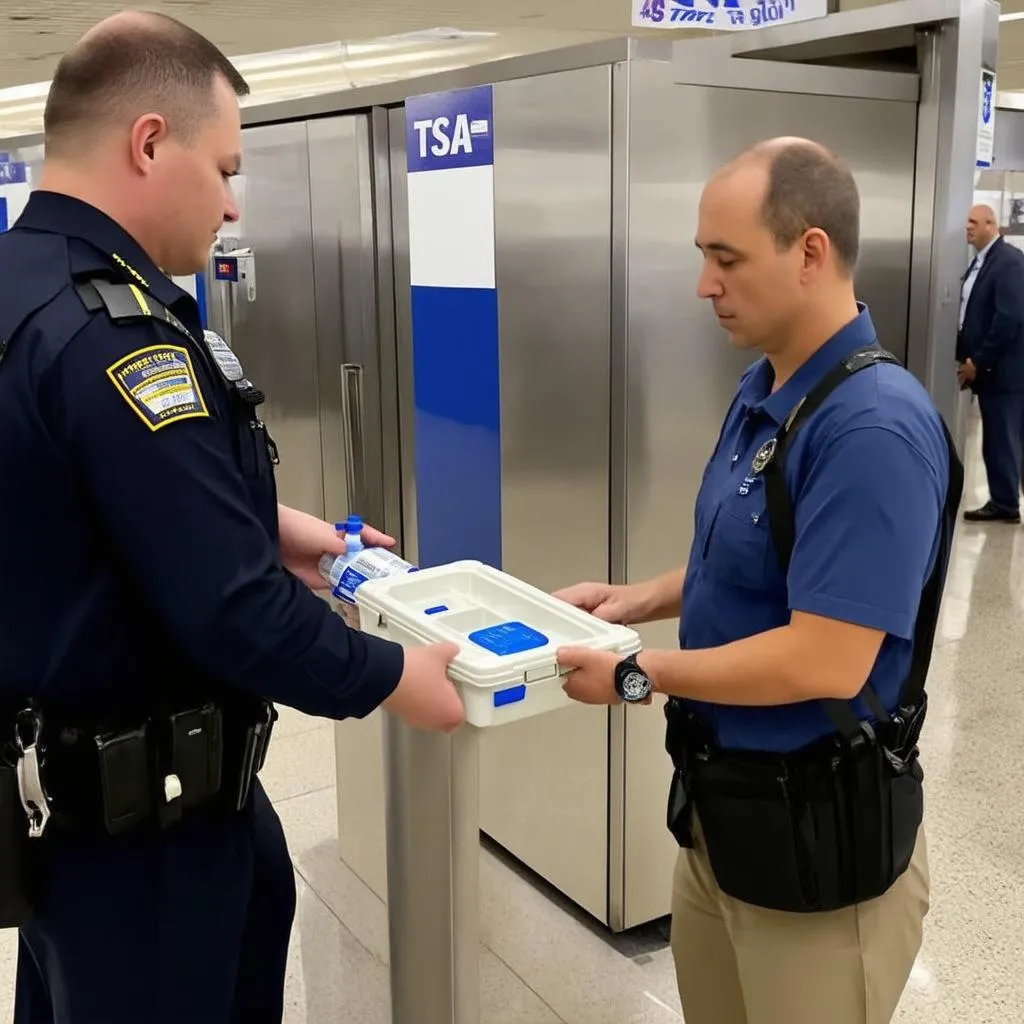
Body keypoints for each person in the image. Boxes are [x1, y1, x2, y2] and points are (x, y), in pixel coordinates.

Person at [0, 12, 463, 1024]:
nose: (230, 203)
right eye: (223, 169)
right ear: (149, 142)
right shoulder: (109, 331)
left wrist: (275, 524)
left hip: (78, 806)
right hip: (143, 837)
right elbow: (230, 609)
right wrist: (395, 675)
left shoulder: (24, 286)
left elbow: (90, 502)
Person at [554, 138, 962, 1024]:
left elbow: (825, 657)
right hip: (722, 821)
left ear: (810, 252)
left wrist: (638, 671)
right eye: (705, 256)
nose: (705, 283)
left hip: (819, 855)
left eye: (725, 257)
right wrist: (637, 600)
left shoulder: (871, 431)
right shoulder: (769, 390)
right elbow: (746, 564)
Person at [956, 203, 1024, 522]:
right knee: (1000, 438)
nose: (967, 227)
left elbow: (1008, 318)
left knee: (1002, 439)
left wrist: (979, 361)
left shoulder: (1007, 262)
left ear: (990, 225)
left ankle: (1006, 503)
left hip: (1004, 373)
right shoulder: (984, 261)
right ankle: (1005, 497)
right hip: (993, 371)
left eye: (973, 222)